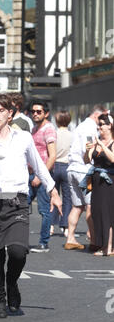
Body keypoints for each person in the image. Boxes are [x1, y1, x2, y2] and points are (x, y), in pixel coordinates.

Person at [0, 93, 61, 318]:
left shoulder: (23, 138)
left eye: (1, 110)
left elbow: (38, 165)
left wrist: (53, 190)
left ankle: (12, 283)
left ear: (9, 114)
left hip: (18, 201)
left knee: (18, 252)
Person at [64, 104, 107, 251]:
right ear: (96, 115)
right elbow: (87, 149)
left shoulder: (80, 126)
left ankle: (70, 237)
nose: (103, 122)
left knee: (77, 206)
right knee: (90, 204)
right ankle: (94, 239)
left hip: (72, 168)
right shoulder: (90, 129)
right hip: (83, 170)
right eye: (102, 118)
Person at [83, 113, 114, 256]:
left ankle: (108, 247)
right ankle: (103, 244)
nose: (99, 127)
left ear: (110, 126)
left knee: (108, 213)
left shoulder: (112, 142)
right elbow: (86, 161)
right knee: (97, 212)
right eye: (98, 124)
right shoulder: (97, 142)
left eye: (102, 124)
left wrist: (102, 145)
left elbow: (113, 159)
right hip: (96, 181)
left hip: (109, 181)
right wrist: (88, 150)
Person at [28, 100, 57, 253]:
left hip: (43, 174)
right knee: (21, 207)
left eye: (39, 111)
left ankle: (43, 243)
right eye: (33, 111)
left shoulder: (49, 129)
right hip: (31, 174)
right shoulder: (34, 129)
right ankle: (17, 241)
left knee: (44, 210)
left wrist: (41, 176)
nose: (35, 114)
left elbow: (52, 156)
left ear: (46, 113)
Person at [50, 110, 73, 237]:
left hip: (54, 165)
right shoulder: (72, 135)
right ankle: (65, 226)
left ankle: (51, 225)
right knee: (67, 197)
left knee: (53, 196)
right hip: (66, 166)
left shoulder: (54, 134)